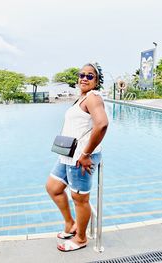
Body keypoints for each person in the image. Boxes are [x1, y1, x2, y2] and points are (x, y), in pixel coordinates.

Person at [46, 62, 108, 252]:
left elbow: (102, 125)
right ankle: (70, 224)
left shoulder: (93, 97)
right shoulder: (81, 98)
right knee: (53, 188)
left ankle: (81, 238)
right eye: (82, 75)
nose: (84, 78)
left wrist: (86, 154)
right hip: (68, 155)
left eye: (90, 76)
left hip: (80, 158)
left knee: (80, 199)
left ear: (96, 81)